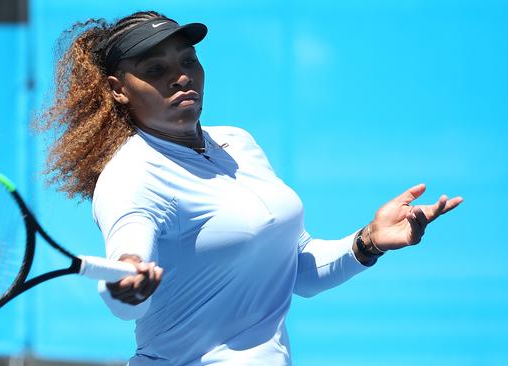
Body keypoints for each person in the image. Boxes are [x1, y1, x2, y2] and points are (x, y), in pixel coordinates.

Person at [37, 10, 463, 365]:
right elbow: (128, 260)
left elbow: (297, 270)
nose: (181, 77)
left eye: (188, 60)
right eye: (155, 70)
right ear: (118, 90)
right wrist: (126, 284)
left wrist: (368, 242)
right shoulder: (130, 176)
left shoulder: (238, 143)